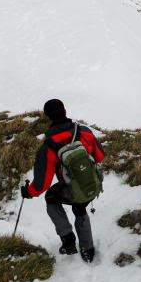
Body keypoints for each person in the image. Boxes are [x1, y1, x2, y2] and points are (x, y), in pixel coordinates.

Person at [21, 99, 104, 263]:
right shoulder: (84, 132)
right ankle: (88, 250)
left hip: (73, 189)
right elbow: (100, 156)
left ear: (48, 117)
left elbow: (41, 185)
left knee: (51, 198)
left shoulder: (49, 147)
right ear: (65, 111)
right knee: (79, 206)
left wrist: (28, 192)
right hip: (94, 184)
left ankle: (68, 241)